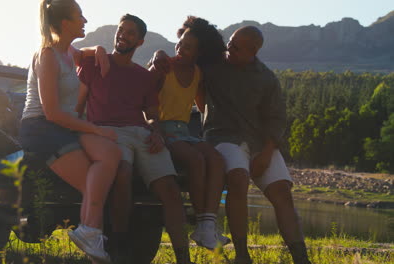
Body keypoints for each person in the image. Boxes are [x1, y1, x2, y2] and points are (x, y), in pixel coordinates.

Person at [152, 26, 312, 264]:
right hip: (223, 137)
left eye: (236, 47)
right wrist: (157, 55)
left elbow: (277, 119)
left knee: (282, 192)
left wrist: (266, 154)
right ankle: (242, 256)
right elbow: (183, 55)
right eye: (230, 42)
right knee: (238, 179)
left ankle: (301, 257)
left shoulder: (266, 78)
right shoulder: (212, 66)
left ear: (253, 51)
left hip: (260, 142)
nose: (229, 48)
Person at [77, 14, 194, 264]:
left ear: (140, 42)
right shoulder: (94, 64)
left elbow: (152, 116)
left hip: (142, 133)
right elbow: (77, 107)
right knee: (123, 173)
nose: (123, 35)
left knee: (171, 190)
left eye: (130, 33)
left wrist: (156, 132)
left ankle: (183, 257)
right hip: (107, 132)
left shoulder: (144, 77)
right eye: (121, 30)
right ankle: (119, 246)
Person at [19, 1, 121, 263]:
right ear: (65, 23)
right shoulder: (48, 56)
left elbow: (80, 54)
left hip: (64, 126)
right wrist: (95, 129)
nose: (85, 20)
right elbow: (51, 112)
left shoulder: (68, 51)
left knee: (110, 152)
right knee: (93, 180)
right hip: (41, 127)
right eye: (79, 16)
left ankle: (88, 230)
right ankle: (91, 232)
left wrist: (96, 49)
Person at [149, 16, 229, 250]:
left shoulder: (197, 73)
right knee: (195, 159)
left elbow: (203, 107)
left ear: (199, 54)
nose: (180, 49)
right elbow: (143, 100)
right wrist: (158, 55)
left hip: (184, 131)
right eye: (180, 43)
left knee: (216, 158)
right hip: (162, 129)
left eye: (188, 47)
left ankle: (207, 226)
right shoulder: (163, 67)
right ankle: (202, 225)